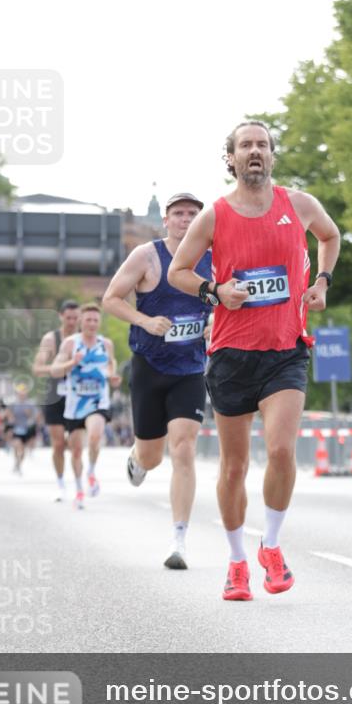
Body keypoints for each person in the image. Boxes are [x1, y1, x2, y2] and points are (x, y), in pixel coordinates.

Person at [168, 121, 340, 601]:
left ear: (272, 155)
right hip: (230, 354)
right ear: (232, 159)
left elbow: (330, 236)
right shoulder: (215, 216)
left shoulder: (298, 205)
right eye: (246, 145)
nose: (255, 151)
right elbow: (178, 271)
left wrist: (322, 282)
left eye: (262, 144)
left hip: (286, 349)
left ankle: (272, 545)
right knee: (233, 467)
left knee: (283, 451)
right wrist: (215, 290)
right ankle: (237, 560)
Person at [103, 192, 213, 570]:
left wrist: (218, 320)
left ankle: (179, 539)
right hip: (150, 366)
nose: (185, 219)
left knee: (183, 449)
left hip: (191, 368)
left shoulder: (216, 257)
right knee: (152, 453)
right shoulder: (147, 256)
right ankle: (138, 458)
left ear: (202, 221)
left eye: (193, 214)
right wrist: (145, 321)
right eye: (178, 214)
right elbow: (111, 298)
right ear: (165, 220)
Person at [50, 302, 120, 509]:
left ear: (99, 323)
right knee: (76, 451)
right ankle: (79, 489)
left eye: (95, 320)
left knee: (95, 435)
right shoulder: (70, 344)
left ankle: (91, 472)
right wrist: (72, 362)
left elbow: (111, 364)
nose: (92, 324)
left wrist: (112, 376)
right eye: (88, 319)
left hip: (98, 401)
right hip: (74, 405)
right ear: (81, 321)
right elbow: (55, 370)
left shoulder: (106, 344)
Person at [32, 300, 80, 500]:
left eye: (75, 318)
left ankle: (79, 486)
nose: (71, 322)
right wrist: (60, 367)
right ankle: (61, 483)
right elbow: (37, 368)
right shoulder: (51, 339)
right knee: (59, 444)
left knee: (76, 445)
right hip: (54, 395)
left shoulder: (86, 339)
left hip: (78, 395)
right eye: (68, 318)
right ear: (61, 316)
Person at [7, 384, 39, 475]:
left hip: (27, 429)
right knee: (18, 446)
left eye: (24, 392)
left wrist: (29, 415)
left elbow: (35, 416)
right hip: (16, 429)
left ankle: (18, 465)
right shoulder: (13, 403)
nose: (22, 394)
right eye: (20, 392)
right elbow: (8, 414)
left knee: (22, 451)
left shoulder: (30, 404)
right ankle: (16, 463)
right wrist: (11, 419)